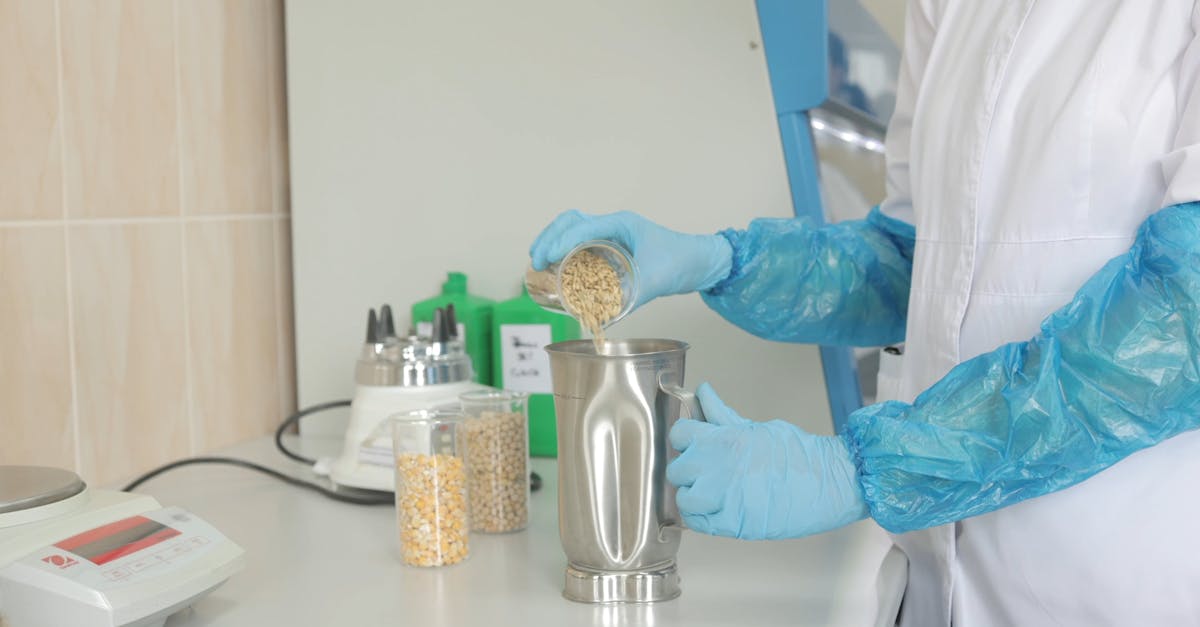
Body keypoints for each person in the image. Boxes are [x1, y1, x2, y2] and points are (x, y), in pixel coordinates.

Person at [529, 2, 1200, 625]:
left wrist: (862, 468)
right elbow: (912, 261)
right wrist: (721, 261)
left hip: (1103, 588)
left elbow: (1182, 323)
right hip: (929, 585)